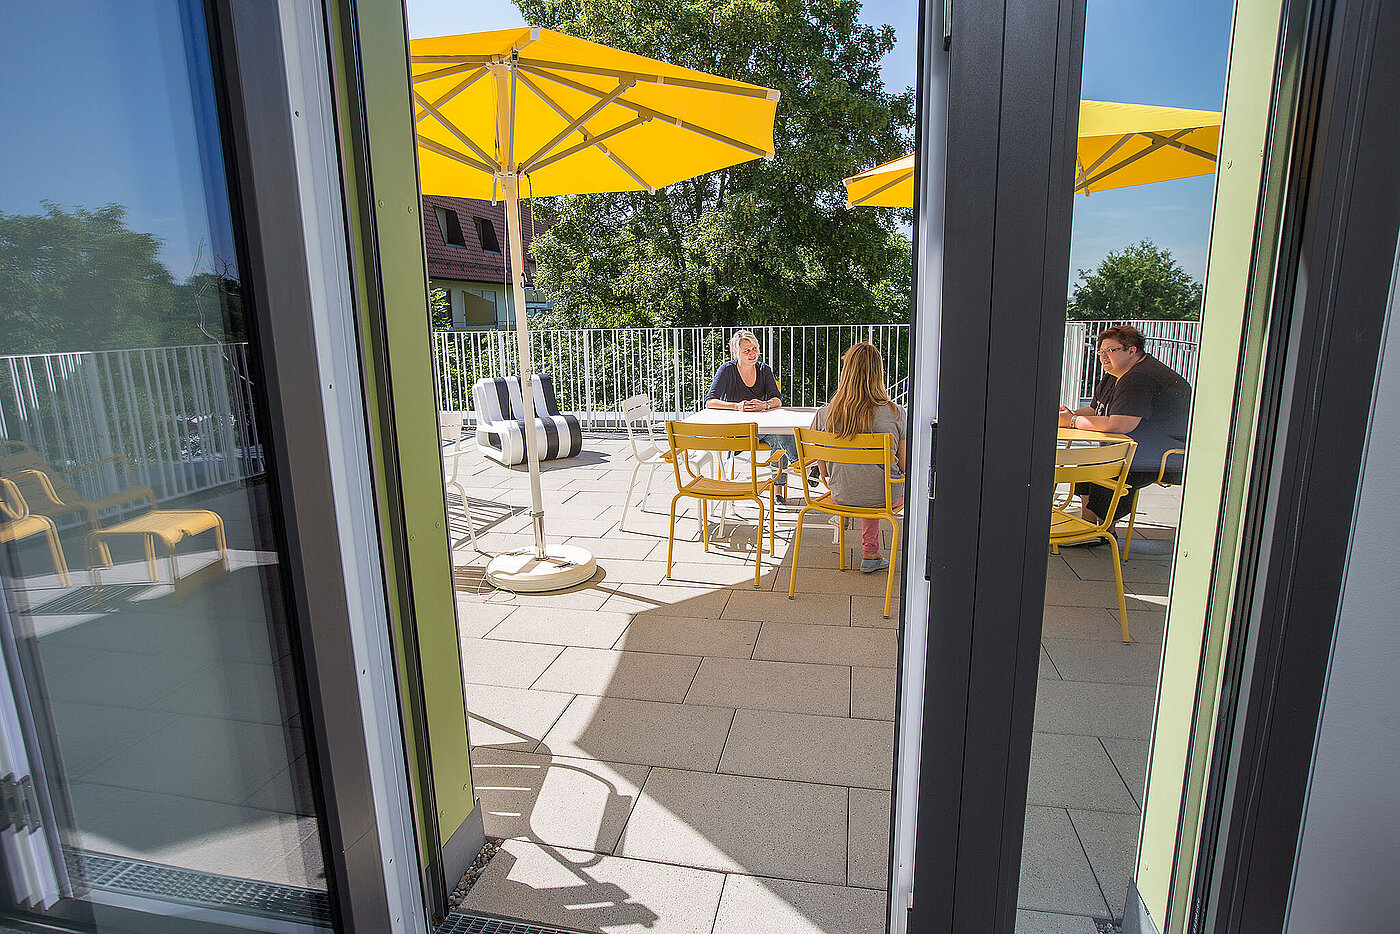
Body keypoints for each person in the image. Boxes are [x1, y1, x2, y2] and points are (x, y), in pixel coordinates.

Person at [1058, 324, 1192, 534]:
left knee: (1101, 470)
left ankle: (1102, 531)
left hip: (1166, 453)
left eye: (1110, 351)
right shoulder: (1116, 373)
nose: (1103, 357)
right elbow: (1096, 410)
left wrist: (1072, 421)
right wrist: (1069, 414)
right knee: (1086, 467)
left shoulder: (1140, 377)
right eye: (1101, 352)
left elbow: (1120, 424)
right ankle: (1089, 528)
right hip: (1141, 447)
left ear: (1132, 350)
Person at [811, 342, 907, 572]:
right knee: (886, 482)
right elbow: (903, 467)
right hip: (885, 498)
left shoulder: (825, 414)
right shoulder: (895, 413)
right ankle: (874, 552)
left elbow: (823, 471)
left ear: (846, 373)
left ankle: (871, 552)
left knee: (863, 480)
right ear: (878, 373)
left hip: (841, 495)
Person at [704, 330, 799, 500]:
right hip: (737, 433)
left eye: (754, 348)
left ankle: (778, 489)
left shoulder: (764, 369)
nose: (752, 353)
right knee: (781, 435)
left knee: (780, 435)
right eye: (746, 350)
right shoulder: (727, 370)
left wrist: (765, 404)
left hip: (760, 429)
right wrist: (736, 406)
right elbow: (710, 401)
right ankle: (801, 467)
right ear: (736, 352)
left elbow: (778, 399)